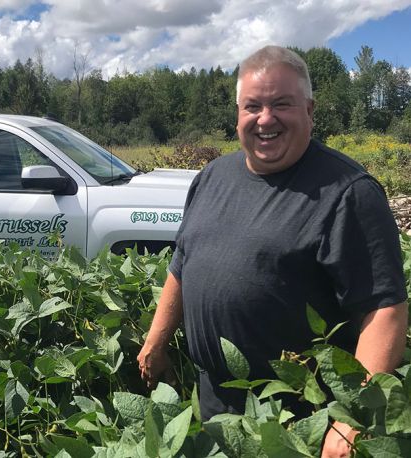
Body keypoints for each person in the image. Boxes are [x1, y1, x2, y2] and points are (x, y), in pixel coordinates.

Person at [137, 45, 408, 458]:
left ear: (310, 110)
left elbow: (384, 310)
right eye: (253, 106)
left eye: (282, 104)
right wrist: (157, 339)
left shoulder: (347, 193)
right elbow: (182, 262)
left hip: (300, 423)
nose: (266, 119)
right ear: (238, 115)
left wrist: (352, 418)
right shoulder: (212, 177)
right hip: (214, 405)